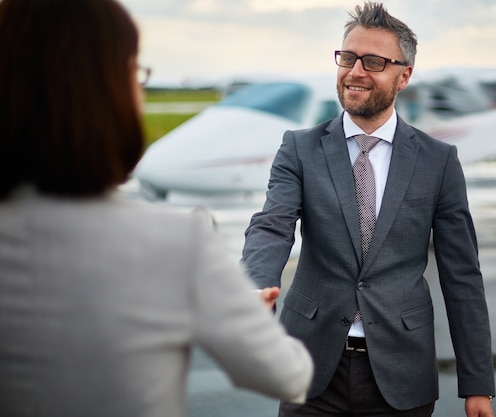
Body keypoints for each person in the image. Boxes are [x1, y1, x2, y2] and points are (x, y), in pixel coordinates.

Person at [0, 0, 312, 416]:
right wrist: (244, 314)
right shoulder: (178, 243)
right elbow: (289, 377)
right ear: (106, 91)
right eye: (134, 72)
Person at [242, 2, 495, 417]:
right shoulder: (299, 148)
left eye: (373, 61)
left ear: (403, 76)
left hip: (402, 372)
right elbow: (271, 226)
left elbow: (462, 276)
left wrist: (478, 383)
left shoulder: (438, 161)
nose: (355, 71)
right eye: (347, 57)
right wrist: (255, 285)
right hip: (310, 369)